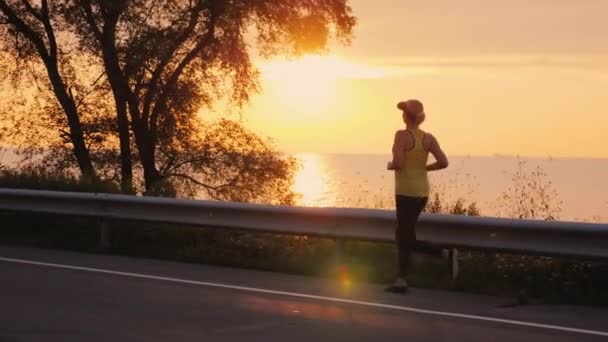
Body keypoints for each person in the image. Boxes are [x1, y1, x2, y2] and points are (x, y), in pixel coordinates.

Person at [386, 99, 449, 293]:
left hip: (405, 191)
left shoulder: (401, 136)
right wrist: (425, 168)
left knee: (404, 236)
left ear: (405, 116)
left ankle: (442, 253)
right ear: (420, 118)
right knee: (405, 234)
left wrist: (390, 165)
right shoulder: (428, 138)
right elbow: (444, 162)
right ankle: (402, 278)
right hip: (422, 192)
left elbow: (398, 163)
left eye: (403, 111)